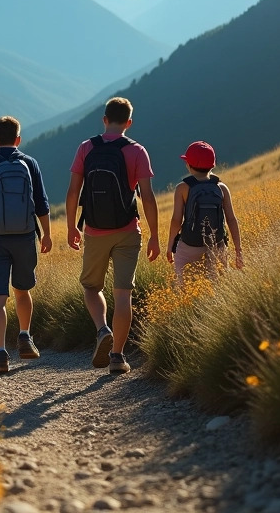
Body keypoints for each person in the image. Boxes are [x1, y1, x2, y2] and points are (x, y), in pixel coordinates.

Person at [66, 97, 159, 375]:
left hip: (94, 230)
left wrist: (72, 226)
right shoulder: (137, 151)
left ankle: (102, 329)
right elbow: (148, 197)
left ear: (104, 120)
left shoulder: (86, 147)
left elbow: (73, 192)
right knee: (123, 295)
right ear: (129, 122)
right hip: (128, 230)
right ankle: (117, 356)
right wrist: (154, 235)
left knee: (92, 288)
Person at [0, 116, 52, 374]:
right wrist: (47, 234)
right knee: (23, 289)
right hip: (26, 236)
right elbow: (41, 202)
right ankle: (25, 336)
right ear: (18, 139)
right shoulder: (30, 162)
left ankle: (0, 353)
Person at [168, 141, 243, 285]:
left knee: (185, 287)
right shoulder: (221, 187)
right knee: (219, 287)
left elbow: (176, 221)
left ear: (189, 165)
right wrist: (238, 251)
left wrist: (170, 246)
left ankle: (186, 303)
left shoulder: (182, 188)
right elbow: (231, 220)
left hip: (190, 245)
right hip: (217, 245)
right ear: (213, 165)